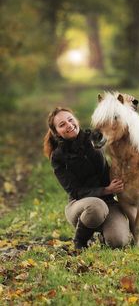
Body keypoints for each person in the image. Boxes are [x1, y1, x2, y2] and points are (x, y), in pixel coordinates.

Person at [43, 107, 130, 250]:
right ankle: (80, 241)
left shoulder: (95, 137)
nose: (69, 125)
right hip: (81, 206)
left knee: (118, 241)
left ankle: (104, 233)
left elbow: (119, 137)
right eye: (62, 124)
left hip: (109, 203)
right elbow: (76, 191)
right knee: (97, 207)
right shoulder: (58, 157)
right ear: (56, 132)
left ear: (76, 120)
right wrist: (106, 190)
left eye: (70, 120)